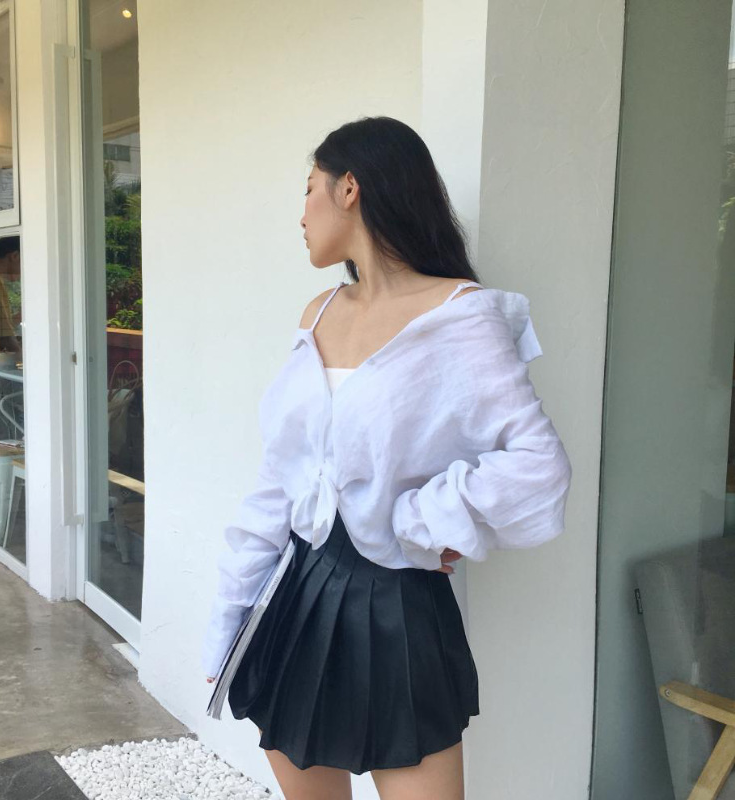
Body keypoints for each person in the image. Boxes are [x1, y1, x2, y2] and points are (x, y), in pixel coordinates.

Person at [201, 116, 573, 799]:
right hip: (294, 598)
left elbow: (538, 468)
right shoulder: (317, 312)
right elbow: (278, 481)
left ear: (349, 188)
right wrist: (229, 616)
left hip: (398, 609)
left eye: (308, 188)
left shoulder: (461, 315)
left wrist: (421, 520)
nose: (301, 214)